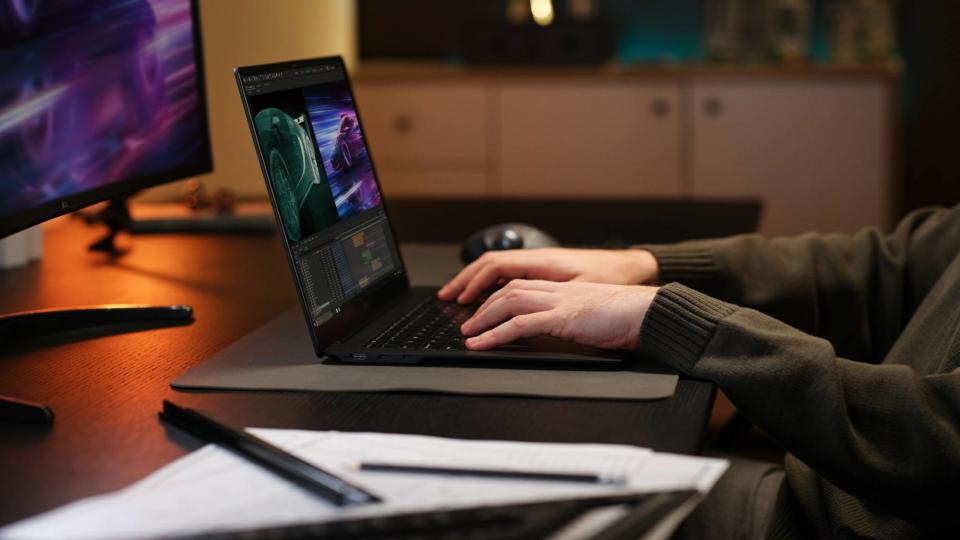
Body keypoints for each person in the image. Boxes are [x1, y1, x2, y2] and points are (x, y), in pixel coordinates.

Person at [438, 205, 960, 539]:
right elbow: (889, 267)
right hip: (836, 491)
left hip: (848, 520)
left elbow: (938, 437)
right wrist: (647, 265)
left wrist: (675, 320)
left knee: (499, 506)